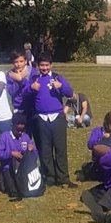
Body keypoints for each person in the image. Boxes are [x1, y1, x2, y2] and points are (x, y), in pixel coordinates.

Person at [29, 53, 74, 186]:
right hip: (42, 118)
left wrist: (61, 86)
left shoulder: (57, 77)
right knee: (45, 149)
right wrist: (31, 88)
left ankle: (63, 177)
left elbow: (70, 93)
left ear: (51, 65)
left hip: (57, 117)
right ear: (38, 66)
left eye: (47, 65)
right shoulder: (34, 79)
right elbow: (25, 94)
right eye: (42, 65)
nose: (44, 68)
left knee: (60, 149)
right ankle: (49, 177)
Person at [0, 113, 36, 201]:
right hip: (8, 168)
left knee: (27, 189)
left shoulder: (26, 137)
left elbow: (35, 155)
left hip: (23, 169)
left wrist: (30, 151)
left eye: (22, 130)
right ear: (12, 126)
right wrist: (11, 154)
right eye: (18, 130)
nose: (20, 132)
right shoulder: (5, 137)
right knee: (13, 191)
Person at [6, 51, 34, 119]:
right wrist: (17, 81)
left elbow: (32, 89)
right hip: (17, 107)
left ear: (26, 61)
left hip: (31, 106)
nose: (19, 64)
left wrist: (21, 80)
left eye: (21, 61)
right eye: (16, 62)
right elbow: (11, 91)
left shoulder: (32, 72)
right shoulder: (11, 74)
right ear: (13, 63)